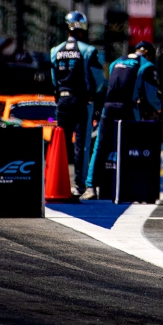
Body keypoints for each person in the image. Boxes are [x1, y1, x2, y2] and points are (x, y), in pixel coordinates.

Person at [86, 40, 160, 198]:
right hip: (128, 108)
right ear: (149, 54)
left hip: (108, 106)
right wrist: (159, 108)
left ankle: (90, 186)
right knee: (134, 148)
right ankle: (132, 185)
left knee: (100, 147)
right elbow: (151, 94)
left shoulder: (116, 62)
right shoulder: (146, 65)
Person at [49, 11, 104, 198]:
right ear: (83, 29)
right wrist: (92, 94)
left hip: (62, 101)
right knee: (82, 144)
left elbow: (54, 79)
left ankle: (59, 183)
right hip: (81, 101)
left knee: (61, 144)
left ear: (67, 28)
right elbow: (99, 80)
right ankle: (79, 184)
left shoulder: (55, 51)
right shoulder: (89, 51)